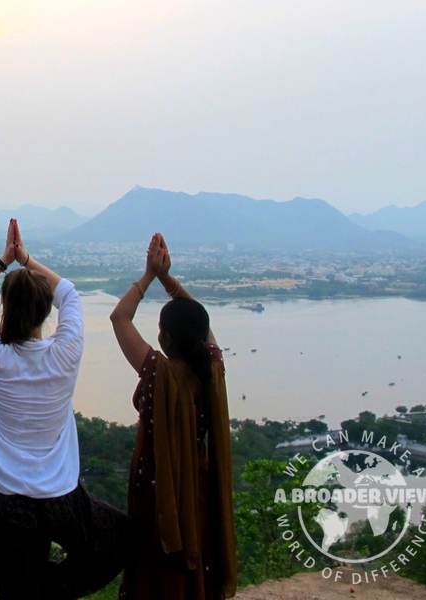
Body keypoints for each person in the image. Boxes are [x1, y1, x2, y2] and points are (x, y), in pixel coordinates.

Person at [0, 219, 129, 599]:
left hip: (8, 503)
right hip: (62, 497)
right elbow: (70, 292)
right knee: (120, 538)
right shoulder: (64, 353)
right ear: (45, 310)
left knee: (17, 591)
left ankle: (41, 590)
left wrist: (4, 261)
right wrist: (27, 259)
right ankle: (54, 590)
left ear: (6, 308)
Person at [110, 233, 237, 599]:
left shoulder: (159, 374)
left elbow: (120, 317)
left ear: (165, 338)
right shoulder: (211, 368)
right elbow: (199, 318)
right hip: (196, 479)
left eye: (161, 330)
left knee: (157, 563)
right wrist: (169, 280)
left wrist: (150, 275)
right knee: (196, 546)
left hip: (157, 486)